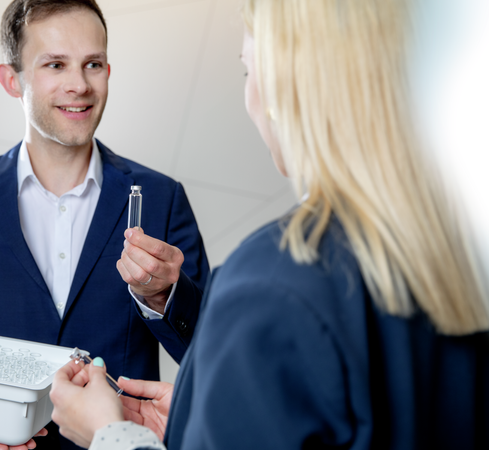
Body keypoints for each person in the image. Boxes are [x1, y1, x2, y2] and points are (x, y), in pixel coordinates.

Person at [49, 0, 489, 448]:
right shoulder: (464, 256)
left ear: (281, 88)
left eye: (247, 70)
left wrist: (112, 436)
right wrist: (195, 420)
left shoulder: (268, 281)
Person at [0, 1, 210, 449]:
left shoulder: (162, 198)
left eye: (93, 64)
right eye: (55, 64)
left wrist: (164, 296)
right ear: (12, 79)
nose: (79, 85)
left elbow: (213, 358)